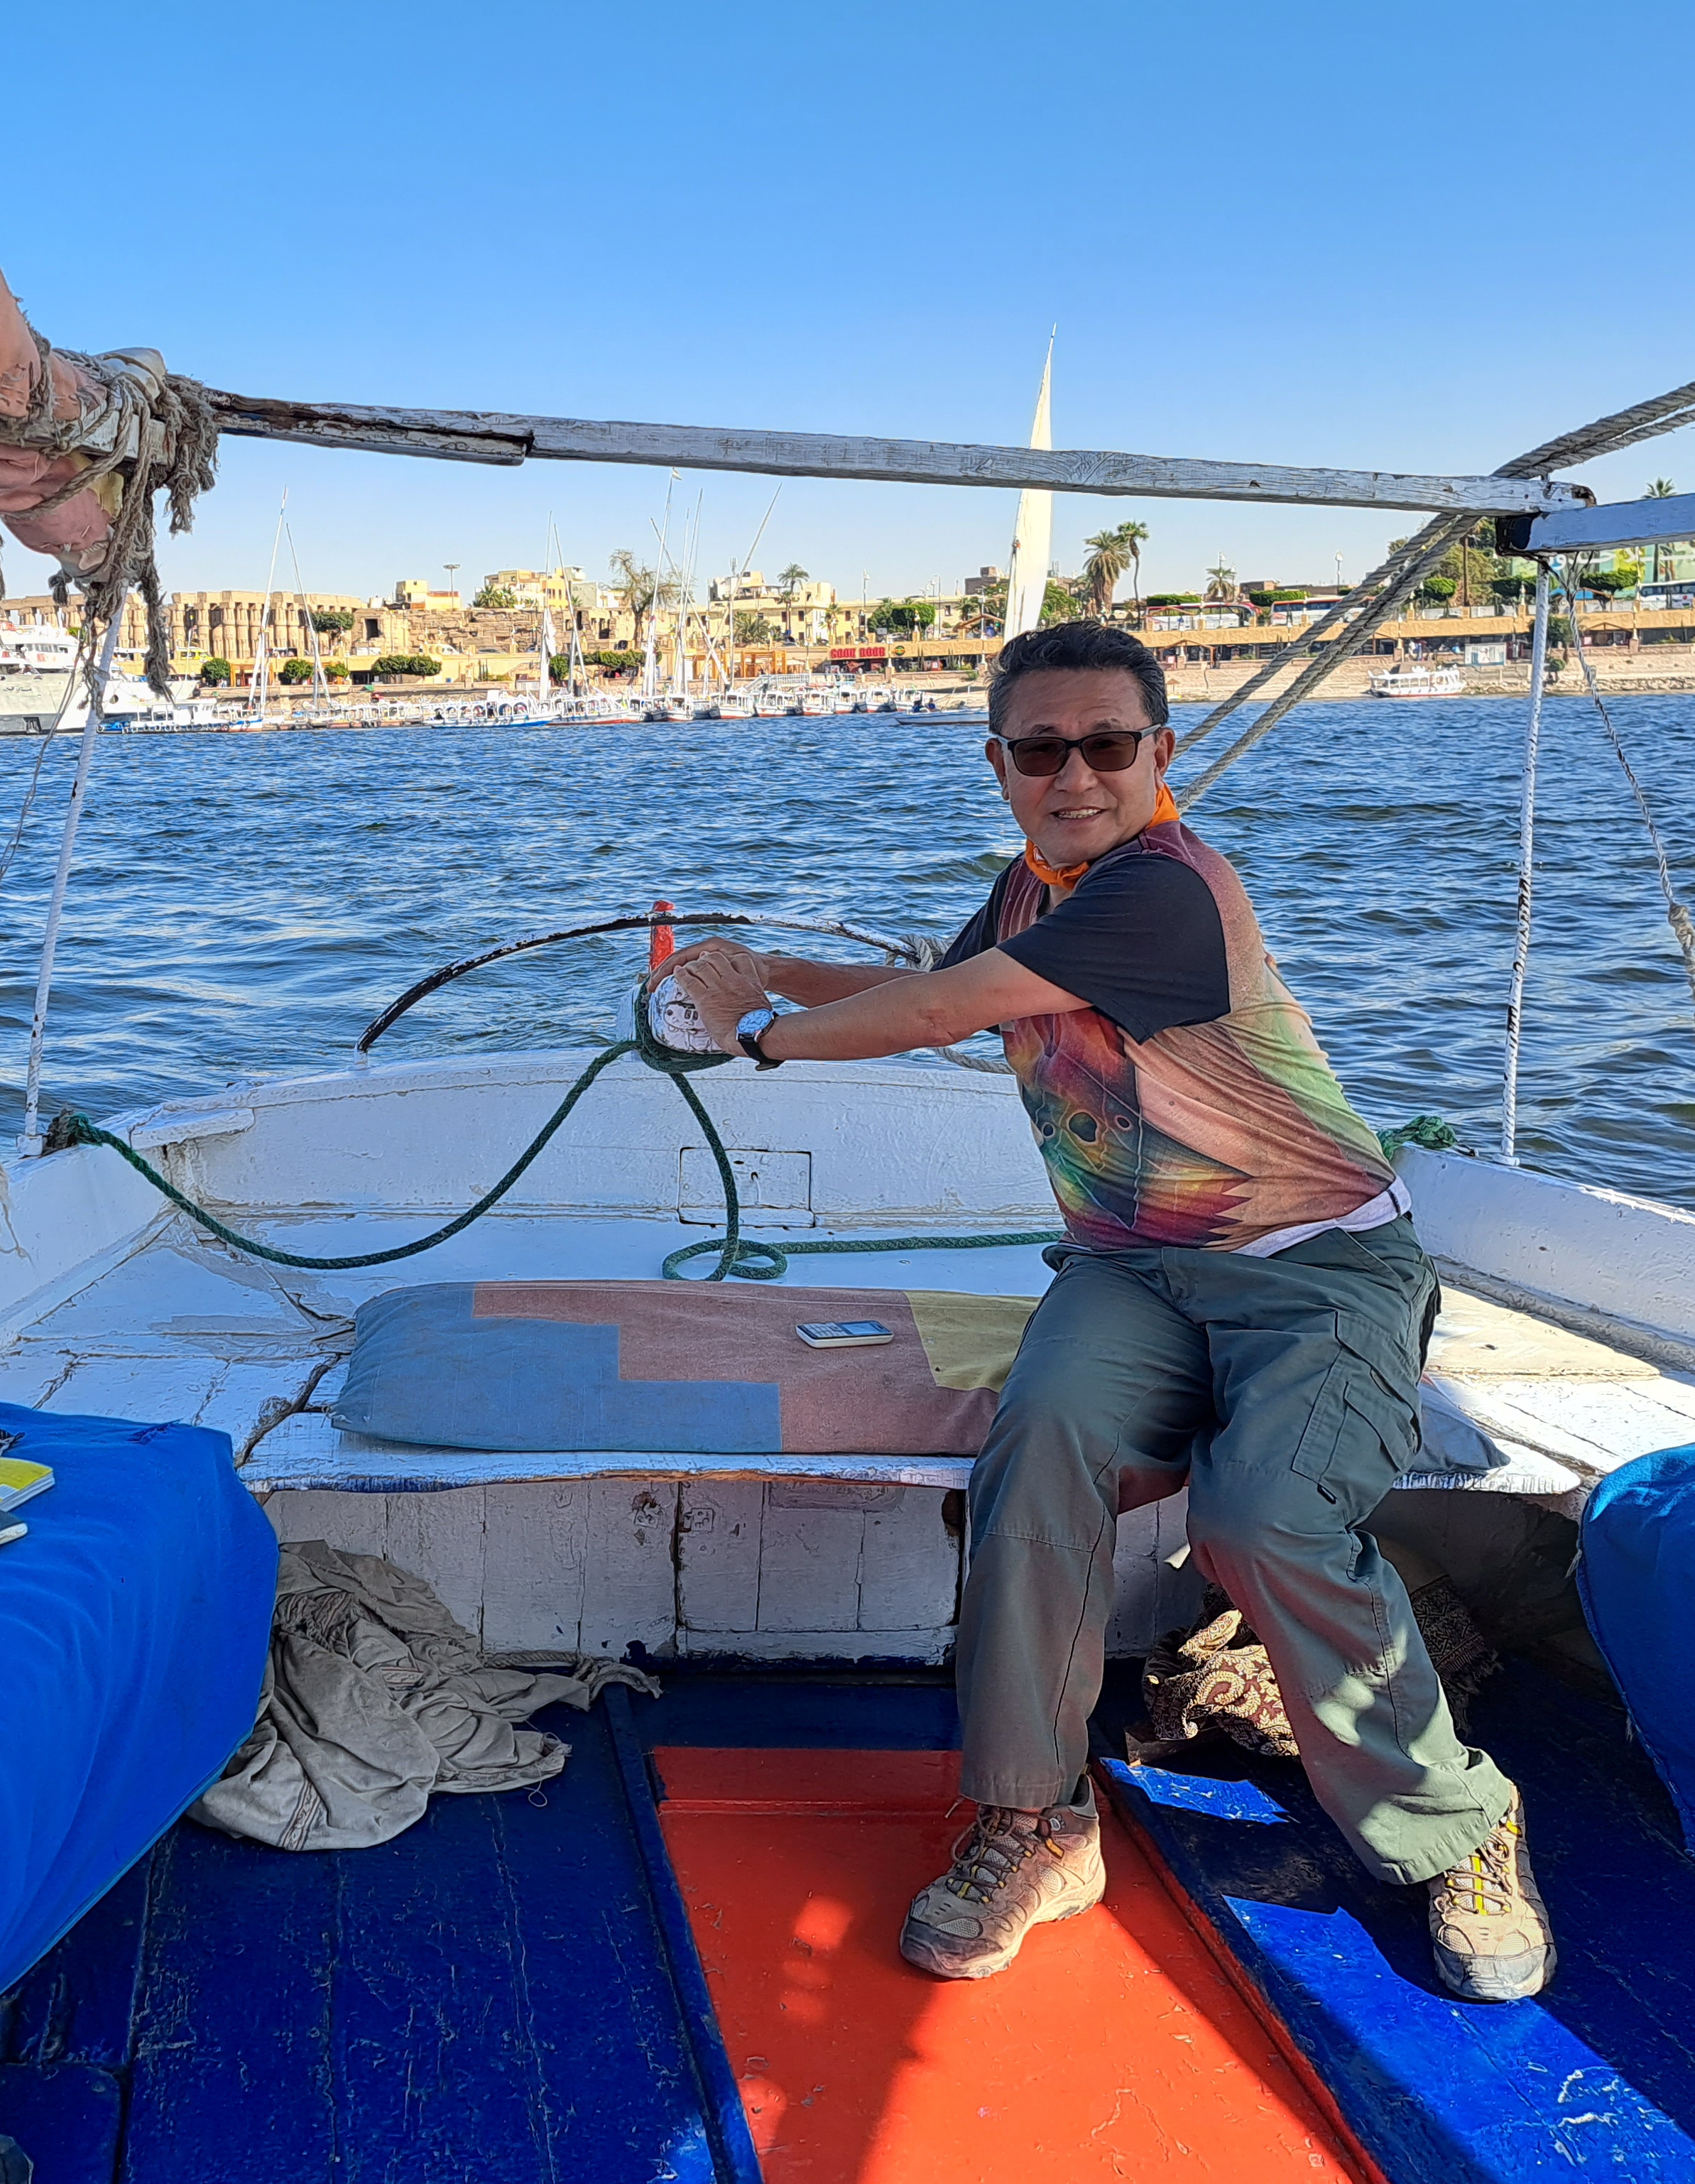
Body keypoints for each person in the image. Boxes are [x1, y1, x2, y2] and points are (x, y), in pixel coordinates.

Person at [657, 619, 1552, 2002]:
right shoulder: (1034, 890)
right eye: (1040, 750)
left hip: (1317, 1270)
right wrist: (761, 972)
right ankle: (1033, 1824)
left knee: (1262, 1520)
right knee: (1033, 1464)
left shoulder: (1165, 893)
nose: (1073, 774)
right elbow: (935, 994)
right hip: (1130, 1271)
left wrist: (754, 1034)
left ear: (1158, 752)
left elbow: (933, 1016)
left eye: (1106, 743)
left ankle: (1457, 1820)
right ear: (999, 764)